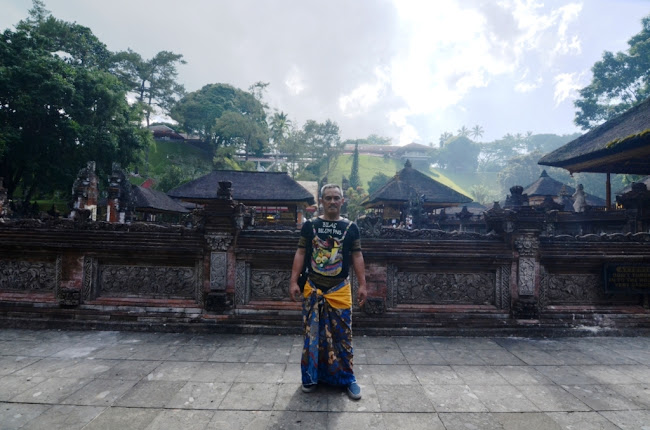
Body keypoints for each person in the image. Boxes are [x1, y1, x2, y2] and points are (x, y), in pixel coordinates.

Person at [289, 183, 367, 400]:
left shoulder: (351, 228)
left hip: (339, 289)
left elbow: (357, 256)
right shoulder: (310, 226)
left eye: (336, 198)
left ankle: (347, 378)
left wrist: (363, 284)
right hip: (313, 288)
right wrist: (293, 281)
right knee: (312, 335)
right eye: (328, 198)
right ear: (321, 201)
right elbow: (301, 252)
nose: (332, 201)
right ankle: (311, 377)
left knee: (343, 336)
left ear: (343, 201)